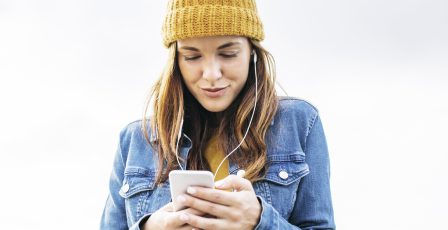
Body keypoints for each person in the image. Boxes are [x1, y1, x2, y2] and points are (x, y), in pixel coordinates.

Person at [100, 0, 335, 229]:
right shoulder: (135, 139)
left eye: (229, 53)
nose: (211, 74)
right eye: (192, 56)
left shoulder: (299, 122)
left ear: (252, 51)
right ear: (175, 61)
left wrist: (260, 221)